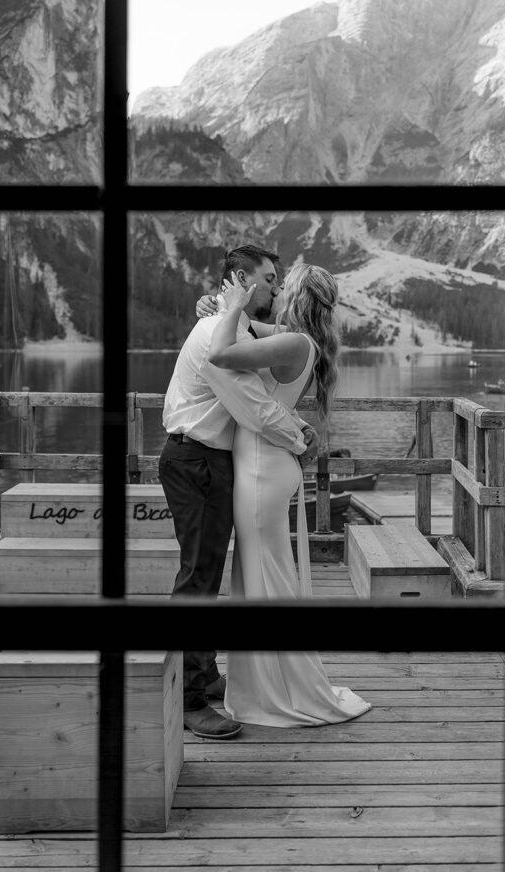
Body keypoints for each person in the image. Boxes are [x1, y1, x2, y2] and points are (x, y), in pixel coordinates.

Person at [158, 245, 319, 741]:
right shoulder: (215, 333)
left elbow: (265, 394)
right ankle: (186, 698)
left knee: (205, 573)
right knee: (199, 580)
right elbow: (252, 408)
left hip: (211, 462)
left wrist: (295, 424)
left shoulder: (238, 329)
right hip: (197, 460)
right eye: (268, 279)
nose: (274, 287)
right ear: (241, 280)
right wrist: (297, 439)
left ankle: (202, 676)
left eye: (276, 280)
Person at [206, 262, 371, 727]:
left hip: (261, 469)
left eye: (281, 286)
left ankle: (278, 691)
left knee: (265, 582)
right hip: (265, 465)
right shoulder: (288, 336)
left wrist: (231, 312)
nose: (272, 292)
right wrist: (222, 306)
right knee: (260, 578)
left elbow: (220, 353)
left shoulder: (293, 342)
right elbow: (236, 325)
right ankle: (265, 684)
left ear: (294, 295)